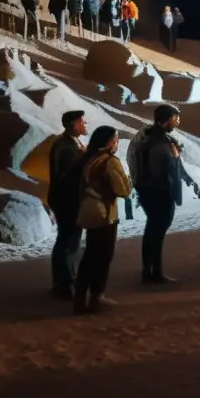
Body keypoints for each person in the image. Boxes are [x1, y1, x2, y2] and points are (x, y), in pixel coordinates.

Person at [73, 126, 131, 314]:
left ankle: (80, 297)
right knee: (104, 256)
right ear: (109, 141)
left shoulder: (86, 157)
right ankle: (97, 297)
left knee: (89, 255)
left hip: (88, 210)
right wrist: (125, 176)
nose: (117, 143)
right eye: (115, 139)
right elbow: (123, 190)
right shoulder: (110, 161)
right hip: (105, 213)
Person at [131, 104, 185, 285]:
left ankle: (149, 271)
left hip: (147, 192)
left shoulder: (147, 138)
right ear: (167, 118)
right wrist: (175, 158)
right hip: (160, 194)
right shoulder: (161, 143)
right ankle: (154, 274)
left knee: (152, 232)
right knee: (157, 233)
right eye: (175, 118)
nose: (177, 122)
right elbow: (164, 170)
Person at [48, 110, 87, 299]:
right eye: (81, 122)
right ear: (72, 124)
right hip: (68, 200)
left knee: (69, 240)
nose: (84, 123)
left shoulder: (71, 144)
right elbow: (71, 176)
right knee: (68, 241)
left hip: (70, 199)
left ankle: (65, 280)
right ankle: (64, 283)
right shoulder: (65, 147)